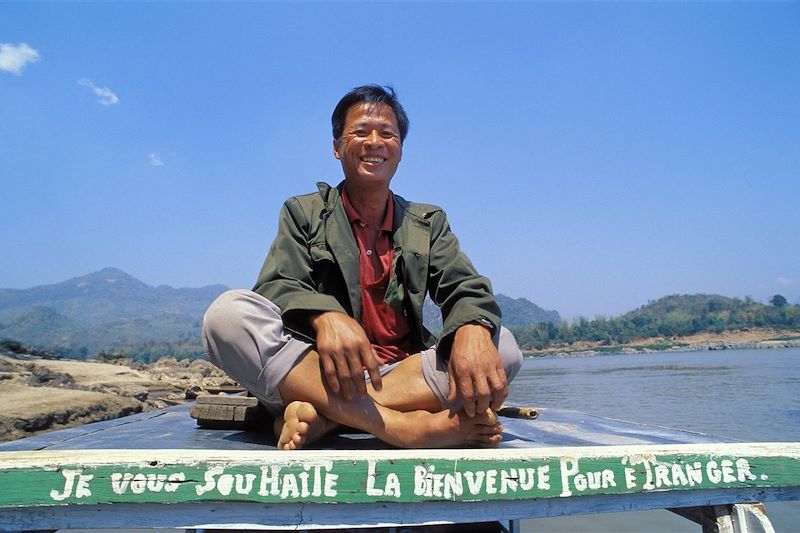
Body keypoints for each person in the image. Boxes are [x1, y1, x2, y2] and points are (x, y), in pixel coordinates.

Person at [203, 85, 522, 450]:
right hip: (321, 370)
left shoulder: (427, 222)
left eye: (387, 133)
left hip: (400, 377)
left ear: (400, 150)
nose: (375, 141)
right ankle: (397, 427)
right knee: (226, 315)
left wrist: (471, 327)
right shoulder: (303, 212)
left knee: (504, 348)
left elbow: (465, 286)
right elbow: (278, 284)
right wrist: (327, 319)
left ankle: (331, 416)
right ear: (337, 147)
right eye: (360, 132)